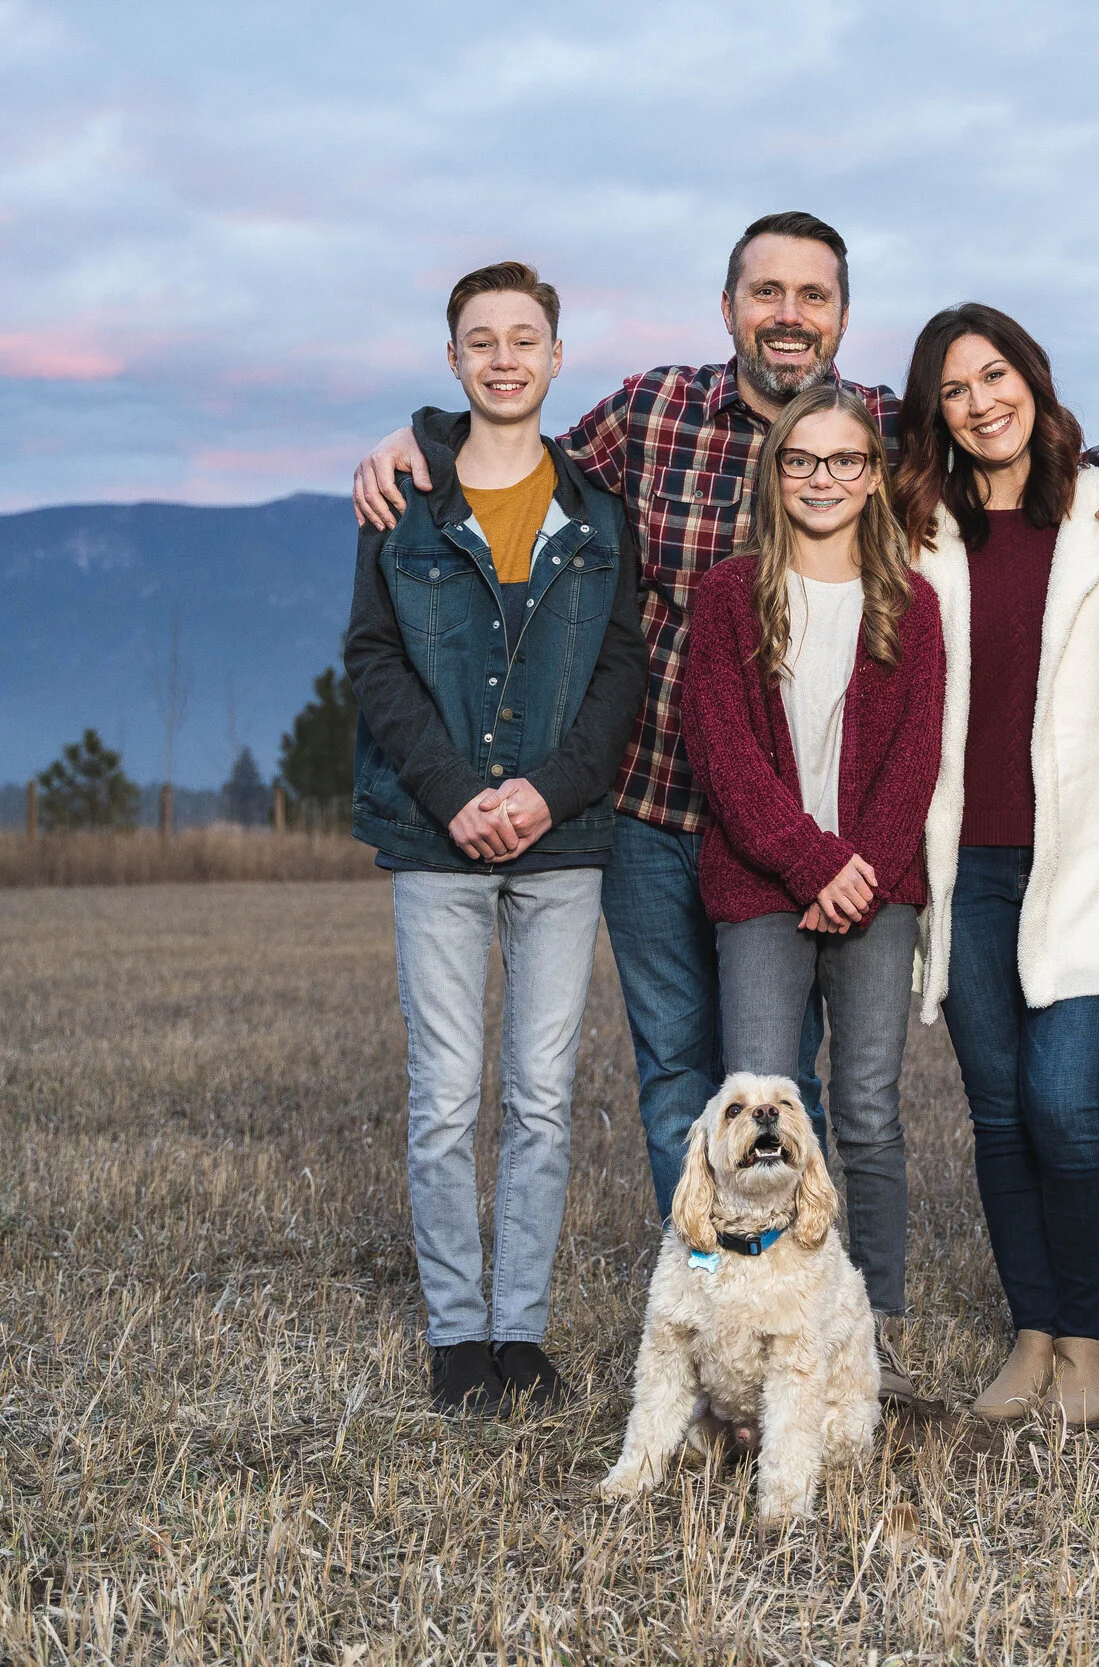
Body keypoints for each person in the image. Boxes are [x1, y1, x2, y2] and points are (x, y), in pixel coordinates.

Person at [349, 213, 1099, 1240]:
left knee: (794, 1084)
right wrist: (420, 435)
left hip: (813, 825)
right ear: (729, 306)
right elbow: (517, 452)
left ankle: (810, 1308)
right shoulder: (652, 409)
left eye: (812, 296)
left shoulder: (874, 421)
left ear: (839, 317)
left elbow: (998, 440)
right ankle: (710, 1297)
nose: (789, 316)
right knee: (681, 1078)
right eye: (766, 293)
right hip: (656, 805)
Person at [342, 261, 647, 1414]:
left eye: (526, 338)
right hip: (435, 840)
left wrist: (548, 792)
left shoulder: (597, 513)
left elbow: (620, 668)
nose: (505, 356)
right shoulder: (400, 500)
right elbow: (372, 655)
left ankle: (521, 1332)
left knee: (538, 1096)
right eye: (482, 339)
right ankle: (456, 1336)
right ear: (455, 358)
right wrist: (456, 790)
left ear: (556, 358)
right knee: (442, 1097)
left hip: (561, 844)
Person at [894, 304, 1099, 1426]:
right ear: (937, 414)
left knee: (1066, 1102)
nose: (979, 401)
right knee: (999, 1112)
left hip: (1096, 855)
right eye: (954, 389)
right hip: (964, 865)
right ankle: (1029, 1334)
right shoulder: (916, 529)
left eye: (995, 374)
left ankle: (1088, 1337)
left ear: (1034, 378)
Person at [678, 387, 944, 1403]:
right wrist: (808, 862)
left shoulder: (910, 605)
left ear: (873, 475)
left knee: (868, 1109)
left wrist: (858, 870)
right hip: (759, 887)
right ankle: (739, 1332)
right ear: (774, 474)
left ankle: (871, 1330)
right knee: (754, 1098)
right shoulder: (728, 597)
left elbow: (915, 758)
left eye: (843, 461)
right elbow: (725, 754)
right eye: (802, 461)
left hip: (879, 892)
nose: (822, 478)